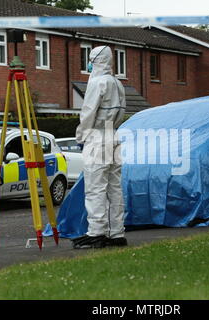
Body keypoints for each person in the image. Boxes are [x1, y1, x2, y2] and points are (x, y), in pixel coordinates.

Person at [72, 46, 127, 249]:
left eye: (90, 60)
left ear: (95, 60)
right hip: (114, 134)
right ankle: (117, 233)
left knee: (95, 187)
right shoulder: (118, 83)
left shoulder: (96, 83)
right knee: (114, 187)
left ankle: (96, 232)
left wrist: (82, 136)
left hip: (97, 136)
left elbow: (88, 113)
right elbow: (121, 111)